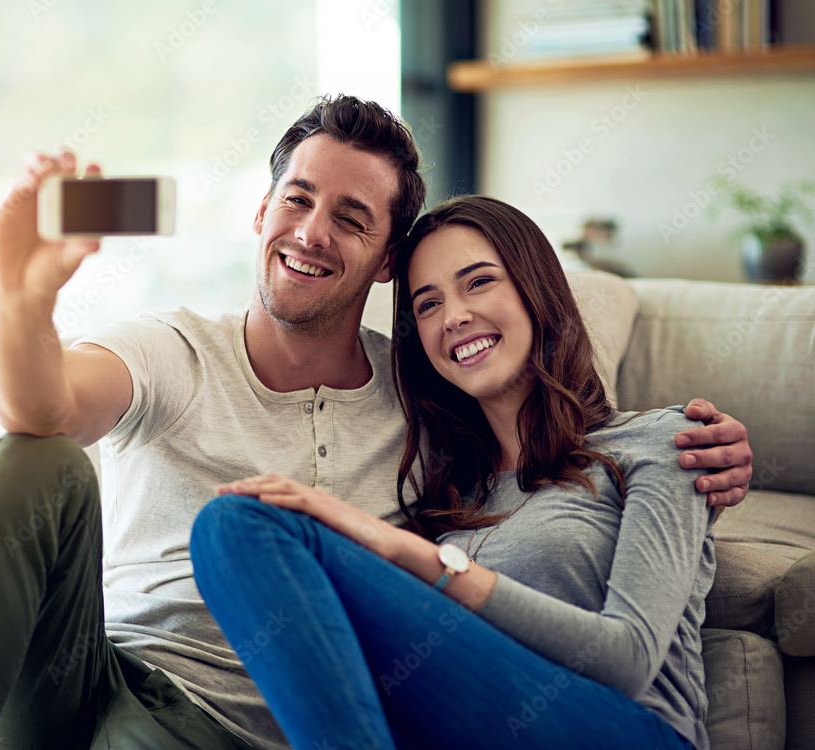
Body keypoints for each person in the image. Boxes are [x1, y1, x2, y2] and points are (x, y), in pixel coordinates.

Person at [0, 96, 750, 750]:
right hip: (95, 668)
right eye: (296, 200)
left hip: (224, 725)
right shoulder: (180, 351)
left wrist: (706, 454)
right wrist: (25, 298)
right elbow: (42, 407)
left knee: (241, 525)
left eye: (352, 218)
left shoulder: (431, 420)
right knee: (29, 462)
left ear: (379, 265)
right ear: (262, 215)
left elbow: (615, 608)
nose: (311, 232)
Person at [190, 195, 721, 749]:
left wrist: (404, 550)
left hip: (624, 732)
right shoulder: (447, 491)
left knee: (239, 524)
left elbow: (626, 659)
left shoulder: (666, 442)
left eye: (479, 282)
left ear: (535, 286)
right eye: (427, 305)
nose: (455, 316)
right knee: (234, 526)